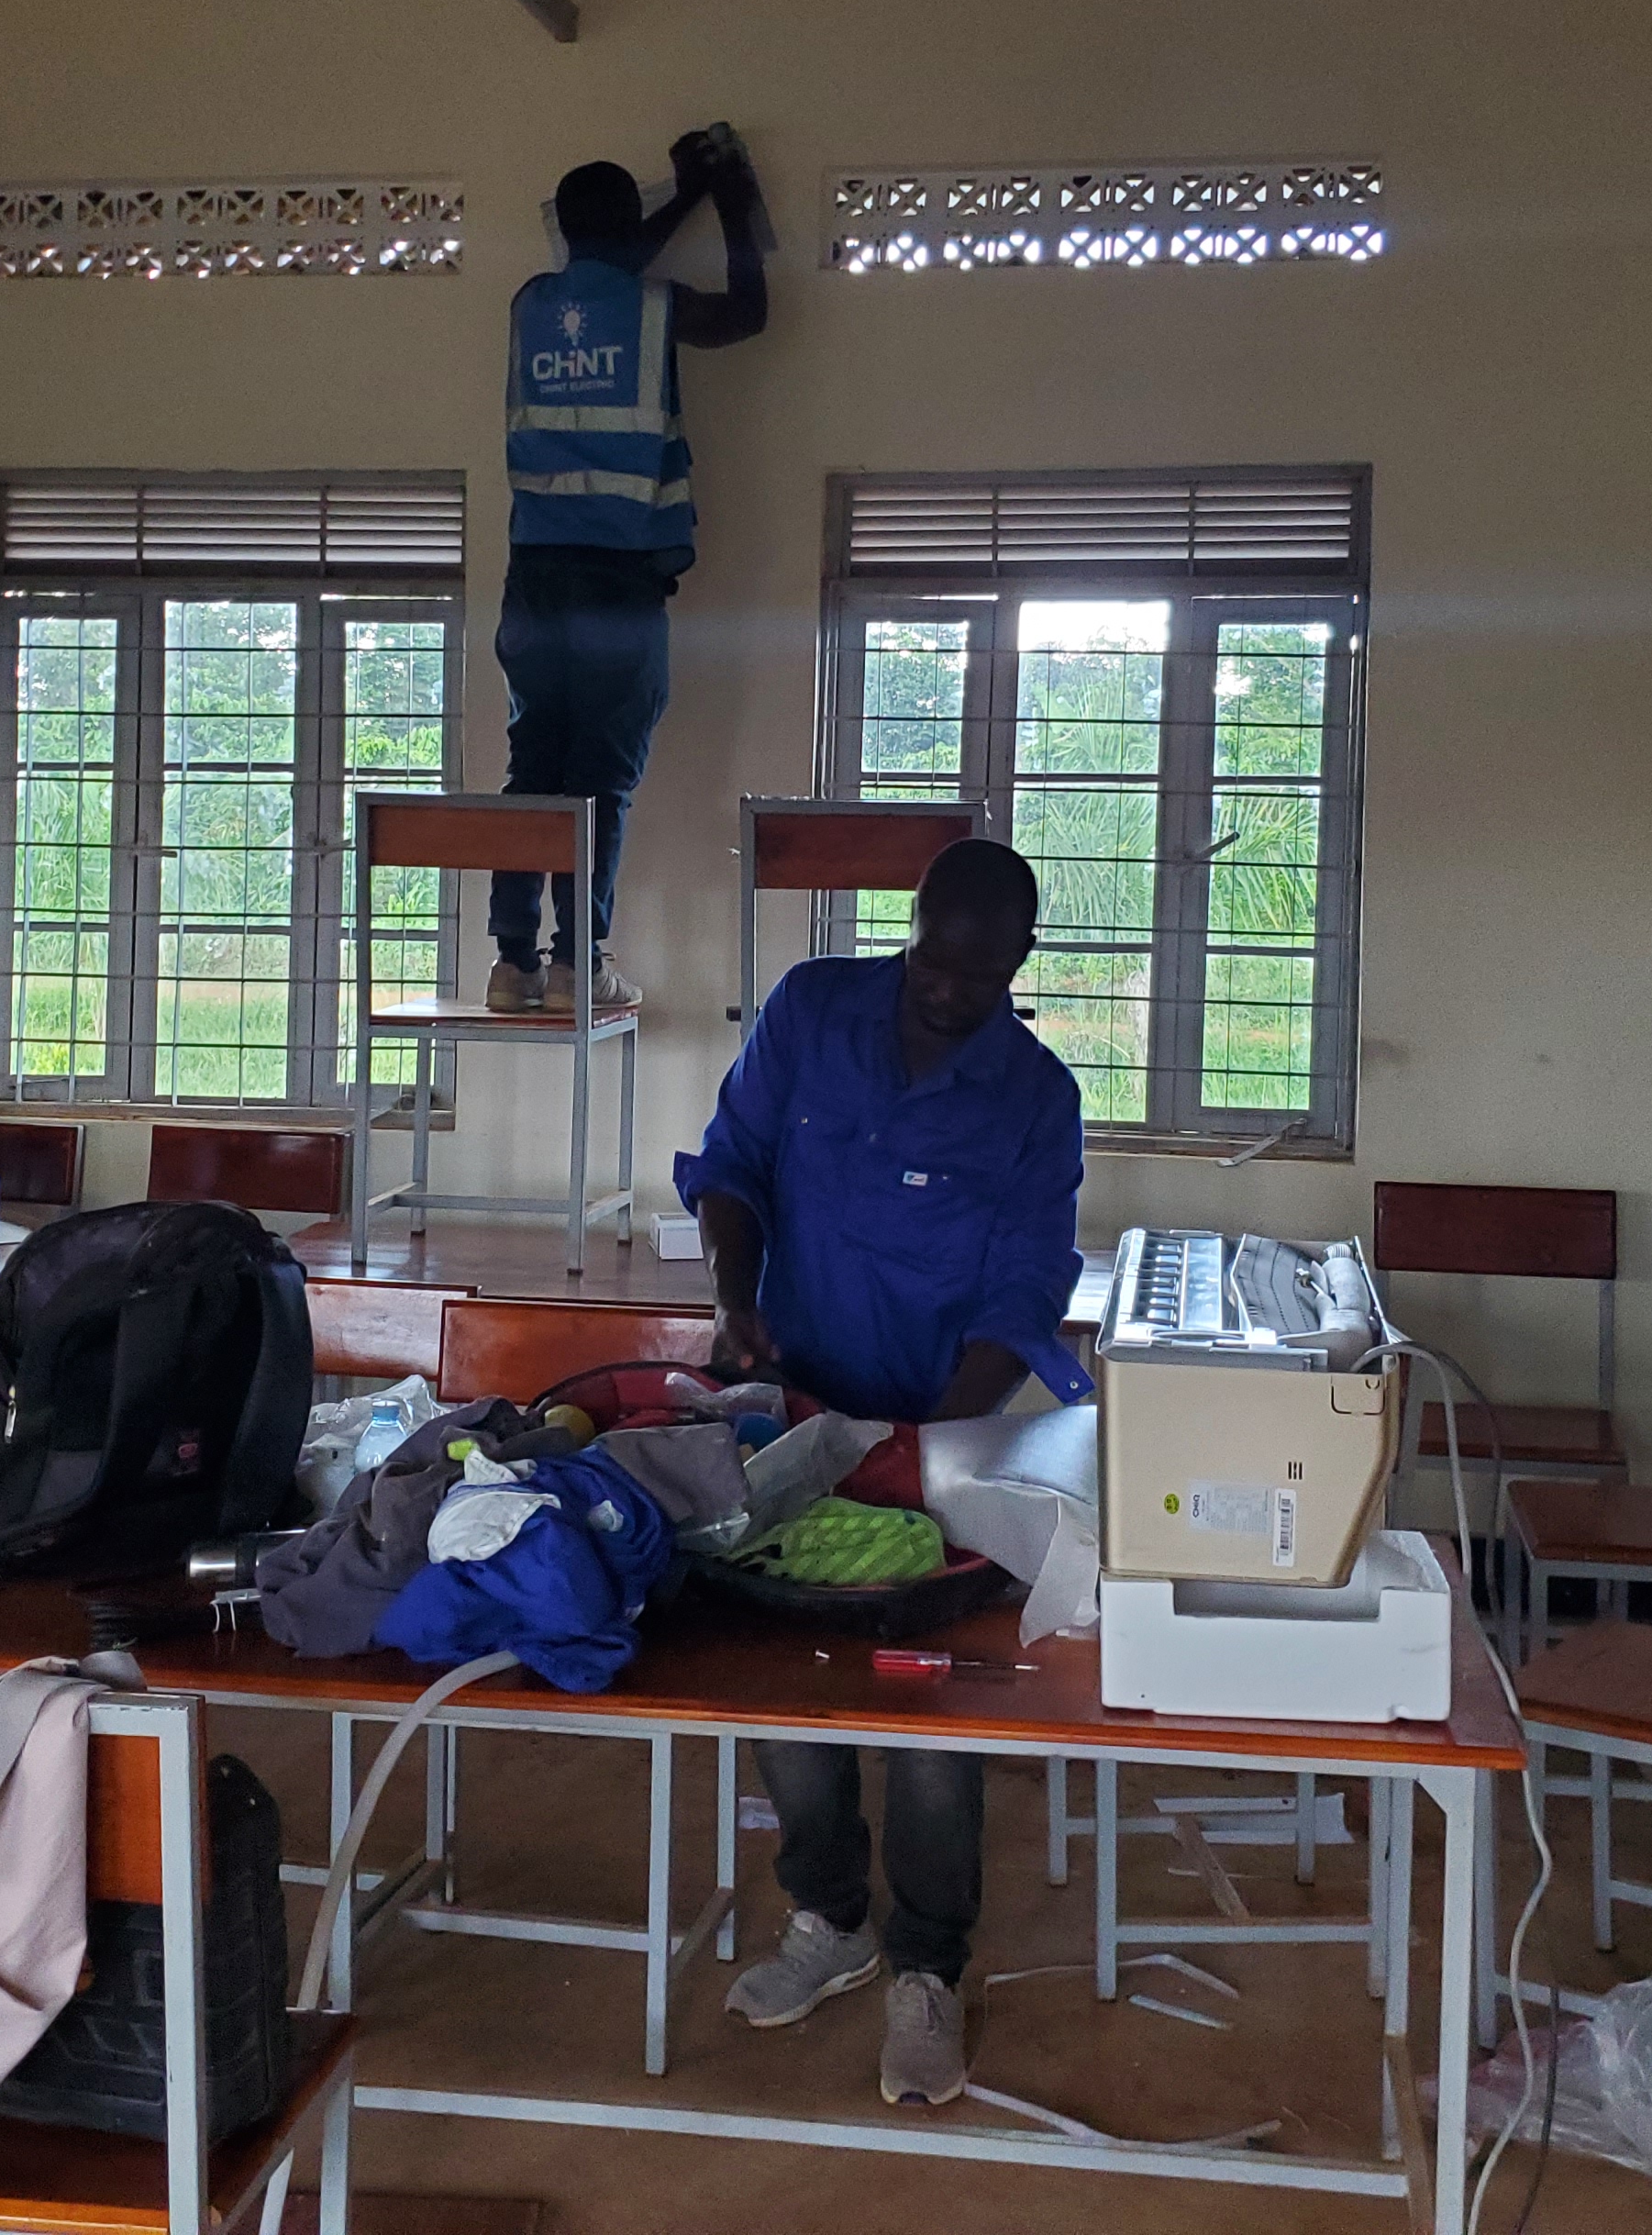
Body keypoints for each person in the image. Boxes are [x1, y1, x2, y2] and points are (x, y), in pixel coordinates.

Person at [674, 838, 1088, 2107]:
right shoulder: (811, 1011)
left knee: (928, 1717)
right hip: (792, 1416)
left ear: (1018, 965)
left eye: (976, 975)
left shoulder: (1034, 1098)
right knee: (788, 1687)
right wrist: (737, 1305)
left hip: (940, 1439)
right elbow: (734, 1164)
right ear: (908, 929)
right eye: (930, 963)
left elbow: (1023, 1295)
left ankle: (925, 1966)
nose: (946, 992)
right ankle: (832, 1919)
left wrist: (919, 1448)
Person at [488, 133, 769, 1014]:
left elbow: (609, 258)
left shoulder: (531, 302)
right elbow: (748, 314)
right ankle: (579, 962)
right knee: (599, 782)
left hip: (531, 577)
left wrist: (678, 195)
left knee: (533, 771)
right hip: (618, 583)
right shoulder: (654, 309)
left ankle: (512, 966)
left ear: (563, 233)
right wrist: (722, 196)